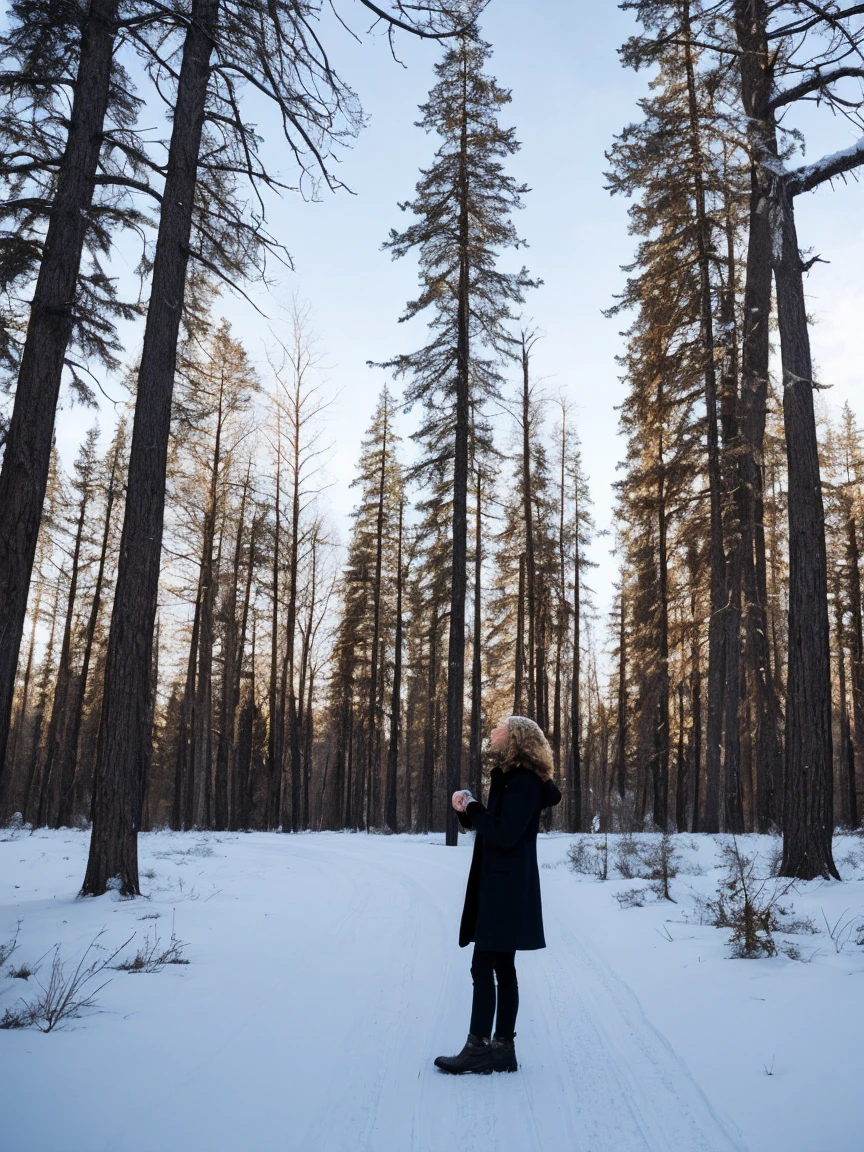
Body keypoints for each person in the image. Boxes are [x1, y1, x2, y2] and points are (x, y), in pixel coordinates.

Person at [434, 715, 562, 1075]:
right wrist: (468, 811)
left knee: (484, 965)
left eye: (500, 728)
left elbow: (505, 834)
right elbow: (499, 825)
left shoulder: (522, 782)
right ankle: (502, 1049)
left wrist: (473, 807)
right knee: (502, 967)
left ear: (516, 738)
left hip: (505, 889)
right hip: (504, 884)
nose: (493, 731)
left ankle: (478, 1049)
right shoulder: (513, 779)